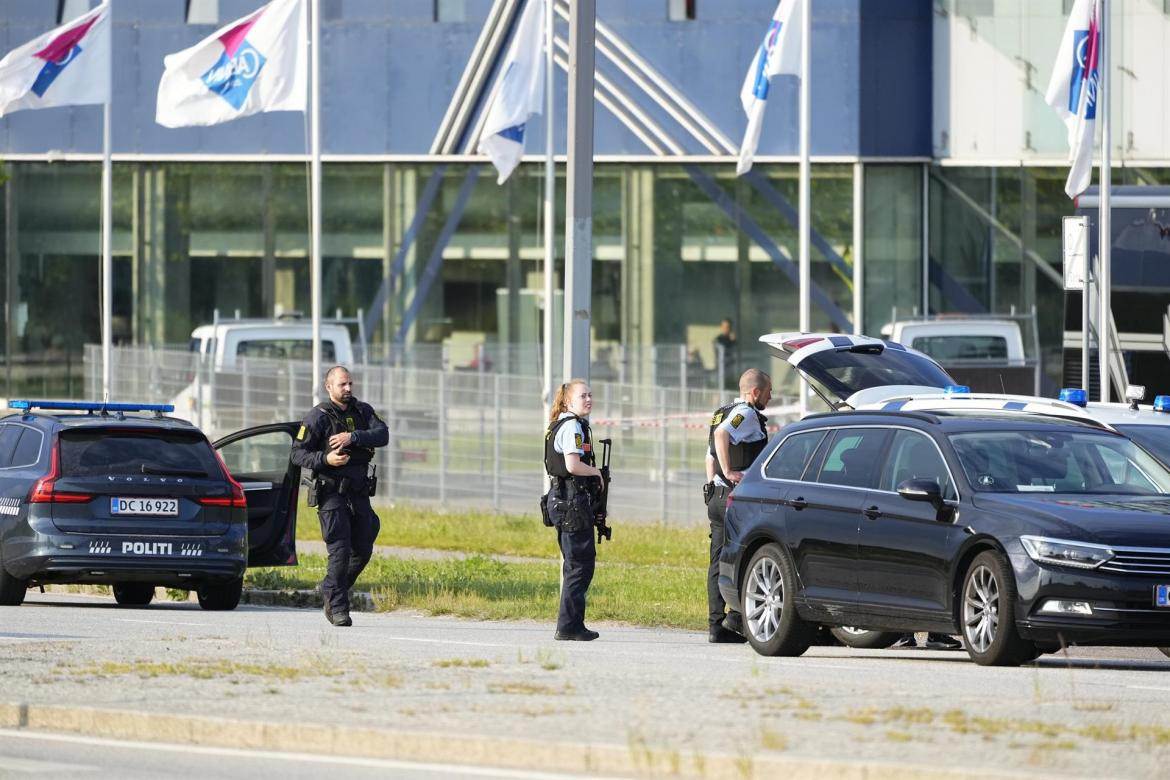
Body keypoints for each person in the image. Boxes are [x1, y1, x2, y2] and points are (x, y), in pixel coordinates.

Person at [290, 366, 389, 627]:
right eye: (342, 384)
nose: (347, 388)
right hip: (331, 493)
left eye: (350, 384)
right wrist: (326, 458)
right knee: (340, 551)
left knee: (364, 547)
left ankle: (331, 586)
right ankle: (338, 608)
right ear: (329, 387)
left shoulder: (362, 411)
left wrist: (353, 437)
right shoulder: (317, 417)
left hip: (358, 492)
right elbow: (297, 454)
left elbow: (382, 435)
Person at [704, 368, 772, 643]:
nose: (770, 397)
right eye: (768, 392)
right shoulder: (746, 413)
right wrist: (730, 472)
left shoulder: (723, 409)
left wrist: (714, 483)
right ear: (755, 392)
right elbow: (722, 435)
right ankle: (735, 620)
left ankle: (716, 625)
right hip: (735, 497)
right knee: (742, 557)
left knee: (718, 560)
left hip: (717, 497)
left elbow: (709, 454)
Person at [543, 379, 604, 641]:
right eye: (583, 396)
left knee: (575, 564)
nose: (589, 399)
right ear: (568, 401)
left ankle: (570, 623)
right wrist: (596, 473)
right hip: (570, 501)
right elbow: (572, 465)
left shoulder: (561, 424)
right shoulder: (571, 427)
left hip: (563, 500)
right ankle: (569, 626)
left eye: (590, 395)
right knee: (580, 565)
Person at [713, 318, 738, 390]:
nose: (725, 329)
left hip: (730, 371)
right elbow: (723, 349)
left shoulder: (732, 339)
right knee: (718, 391)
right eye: (723, 327)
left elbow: (734, 350)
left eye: (727, 327)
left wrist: (733, 341)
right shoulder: (719, 339)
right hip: (720, 370)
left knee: (729, 390)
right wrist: (732, 341)